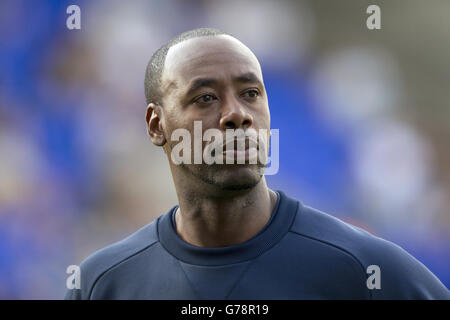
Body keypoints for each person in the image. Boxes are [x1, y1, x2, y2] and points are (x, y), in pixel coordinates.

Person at [65, 28, 449, 300]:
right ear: (156, 124)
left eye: (250, 94)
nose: (237, 114)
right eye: (205, 98)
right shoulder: (104, 284)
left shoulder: (365, 270)